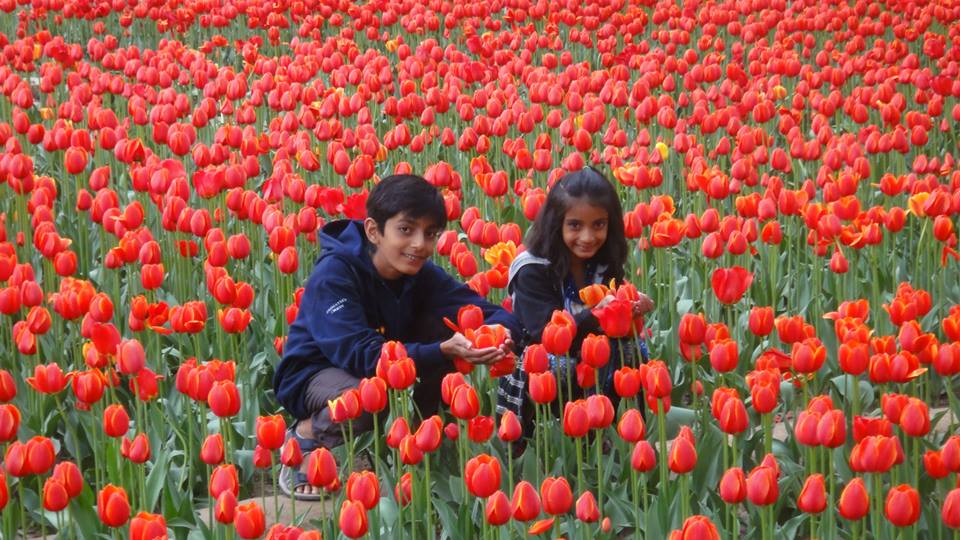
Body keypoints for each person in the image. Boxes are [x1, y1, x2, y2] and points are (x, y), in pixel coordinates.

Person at [274, 174, 521, 499]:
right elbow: (362, 355)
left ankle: (417, 446)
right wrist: (442, 351)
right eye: (406, 230)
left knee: (441, 328)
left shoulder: (419, 272)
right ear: (374, 231)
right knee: (364, 396)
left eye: (430, 234)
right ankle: (307, 434)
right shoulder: (335, 274)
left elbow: (488, 311)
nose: (420, 244)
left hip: (383, 368)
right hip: (315, 374)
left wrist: (500, 335)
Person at [496, 166, 653, 439]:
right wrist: (600, 314)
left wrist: (633, 306)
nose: (588, 237)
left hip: (594, 356)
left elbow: (617, 305)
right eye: (575, 225)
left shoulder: (603, 261)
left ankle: (621, 432)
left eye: (598, 225)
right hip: (539, 363)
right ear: (557, 224)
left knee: (635, 351)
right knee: (560, 365)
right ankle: (549, 440)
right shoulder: (532, 268)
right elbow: (543, 333)